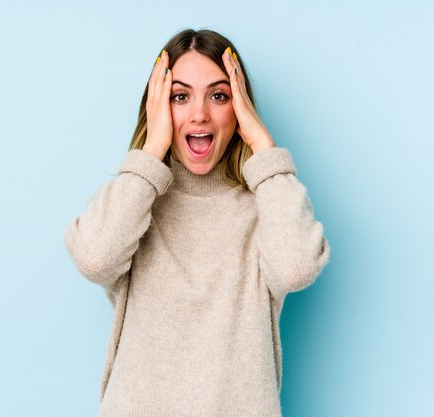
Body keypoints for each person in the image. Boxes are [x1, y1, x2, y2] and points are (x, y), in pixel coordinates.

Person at [63, 28, 330, 417]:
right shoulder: (135, 201)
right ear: (157, 106)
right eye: (180, 96)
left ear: (239, 110)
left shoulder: (267, 205)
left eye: (219, 96)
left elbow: (294, 269)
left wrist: (264, 149)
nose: (200, 113)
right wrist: (152, 149)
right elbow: (96, 259)